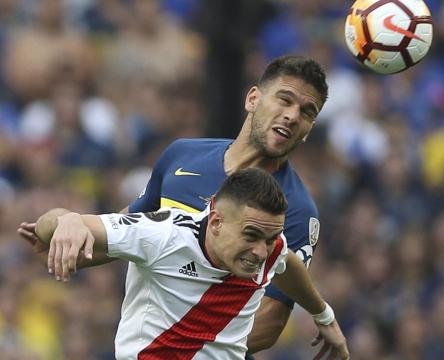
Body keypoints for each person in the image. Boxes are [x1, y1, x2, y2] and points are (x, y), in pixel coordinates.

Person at [19, 55, 328, 355]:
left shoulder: (297, 210)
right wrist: (70, 246)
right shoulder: (182, 156)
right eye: (284, 100)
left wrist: (188, 345)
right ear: (252, 99)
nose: (292, 115)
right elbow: (127, 228)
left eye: (307, 111)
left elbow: (271, 319)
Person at [32, 168, 349, 359]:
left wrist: (323, 314)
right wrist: (69, 221)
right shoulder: (162, 236)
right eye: (251, 235)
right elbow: (50, 224)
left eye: (269, 239)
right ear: (216, 222)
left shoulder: (270, 246)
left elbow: (287, 263)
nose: (260, 251)